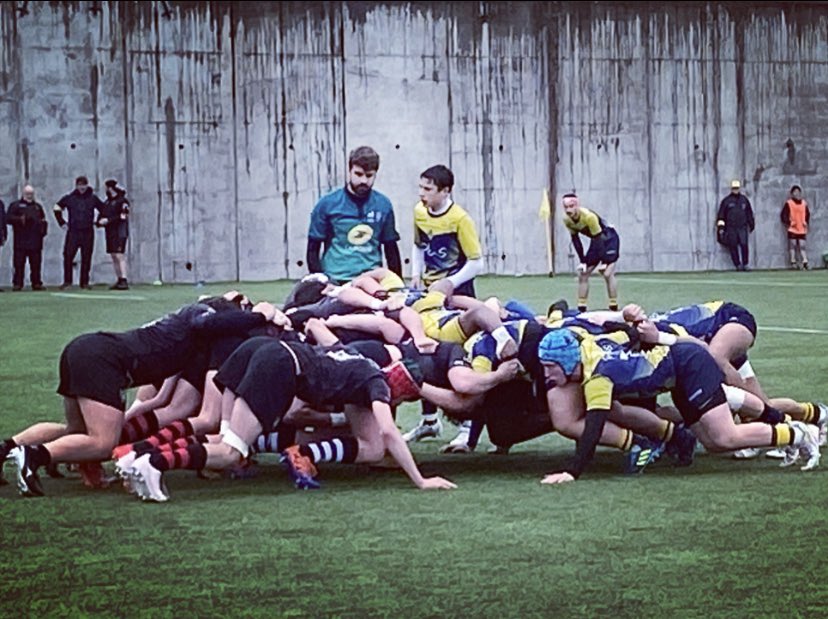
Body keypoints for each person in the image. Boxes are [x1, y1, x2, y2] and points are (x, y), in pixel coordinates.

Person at [408, 164, 485, 448]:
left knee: (458, 354)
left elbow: (477, 262)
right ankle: (429, 421)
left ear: (445, 191)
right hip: (428, 294)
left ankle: (466, 425)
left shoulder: (460, 219)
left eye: (428, 189)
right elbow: (419, 245)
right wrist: (416, 274)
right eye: (421, 187)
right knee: (425, 350)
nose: (422, 194)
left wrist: (450, 283)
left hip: (457, 295)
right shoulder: (419, 211)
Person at [306, 146, 402, 285]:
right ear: (349, 171)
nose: (363, 180)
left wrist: (397, 285)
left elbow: (391, 248)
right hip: (335, 279)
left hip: (371, 279)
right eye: (358, 174)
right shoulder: (326, 204)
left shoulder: (384, 205)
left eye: (369, 176)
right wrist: (322, 282)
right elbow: (312, 249)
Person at [561, 193, 620, 312]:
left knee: (607, 273)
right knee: (583, 274)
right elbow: (576, 240)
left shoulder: (589, 217)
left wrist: (604, 261)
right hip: (596, 241)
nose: (568, 210)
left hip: (609, 239)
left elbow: (599, 239)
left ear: (577, 205)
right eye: (566, 207)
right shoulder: (567, 220)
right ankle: (581, 308)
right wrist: (583, 261)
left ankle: (613, 305)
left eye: (571, 206)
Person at [54, 176, 105, 289]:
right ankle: (67, 281)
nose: (82, 187)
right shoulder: (69, 198)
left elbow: (104, 209)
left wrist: (99, 221)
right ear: (76, 186)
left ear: (87, 185)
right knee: (68, 255)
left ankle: (84, 282)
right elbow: (56, 207)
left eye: (84, 185)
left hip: (88, 232)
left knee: (86, 257)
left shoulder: (93, 198)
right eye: (80, 185)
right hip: (73, 232)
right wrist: (61, 222)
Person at [6, 185, 48, 291]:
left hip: (36, 241)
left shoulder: (38, 207)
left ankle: (36, 283)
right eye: (27, 194)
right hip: (21, 241)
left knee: (36, 264)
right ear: (23, 194)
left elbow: (43, 219)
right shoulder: (15, 206)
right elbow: (8, 218)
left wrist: (43, 230)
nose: (29, 196)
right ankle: (18, 284)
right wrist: (20, 219)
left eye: (31, 194)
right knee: (19, 264)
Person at [97, 179, 130, 289]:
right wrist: (99, 222)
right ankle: (119, 279)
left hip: (120, 231)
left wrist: (108, 220)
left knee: (119, 255)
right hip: (110, 232)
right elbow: (103, 213)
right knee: (113, 255)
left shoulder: (122, 201)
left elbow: (123, 216)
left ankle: (124, 279)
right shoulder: (108, 202)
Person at [716, 180, 755, 271]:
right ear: (731, 189)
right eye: (734, 188)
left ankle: (745, 264)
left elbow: (749, 213)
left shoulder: (744, 200)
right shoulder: (726, 201)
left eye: (737, 188)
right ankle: (737, 264)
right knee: (733, 246)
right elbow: (721, 216)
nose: (735, 190)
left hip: (742, 227)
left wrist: (751, 224)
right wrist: (721, 228)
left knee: (744, 245)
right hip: (731, 227)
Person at [780, 184, 810, 270]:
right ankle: (793, 262)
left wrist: (806, 222)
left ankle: (804, 261)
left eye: (798, 192)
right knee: (792, 245)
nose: (797, 194)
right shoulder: (789, 203)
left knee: (802, 245)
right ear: (792, 194)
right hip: (792, 228)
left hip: (801, 228)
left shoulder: (804, 203)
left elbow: (807, 214)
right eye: (795, 192)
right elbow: (783, 215)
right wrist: (788, 223)